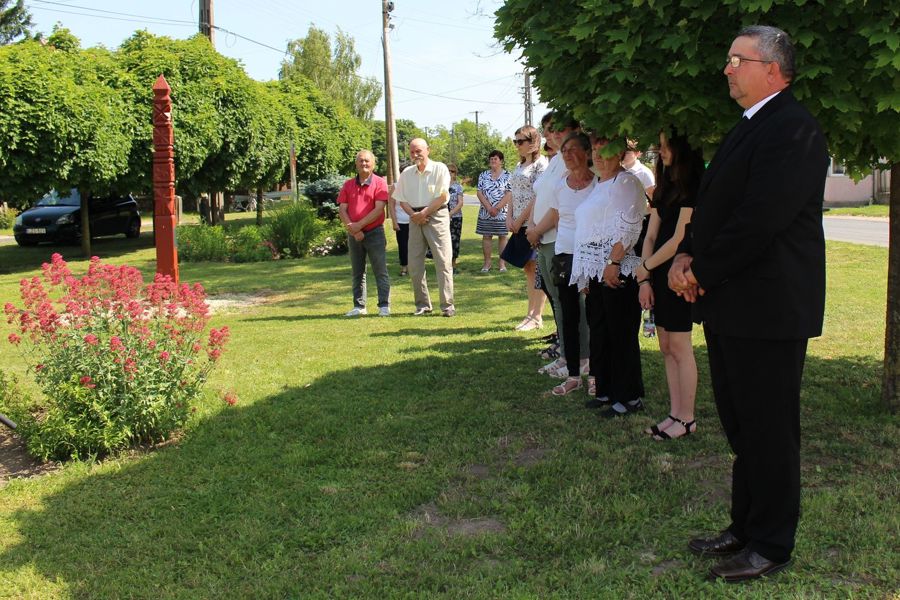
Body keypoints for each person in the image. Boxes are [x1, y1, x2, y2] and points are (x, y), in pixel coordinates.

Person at [669, 26, 828, 582]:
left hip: (769, 307)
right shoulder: (750, 125)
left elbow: (761, 218)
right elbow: (716, 207)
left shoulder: (794, 128)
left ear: (773, 70)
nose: (727, 69)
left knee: (769, 429)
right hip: (733, 303)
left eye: (738, 60)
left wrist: (700, 271)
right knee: (742, 424)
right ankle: (745, 527)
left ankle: (771, 544)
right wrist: (687, 254)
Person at [635, 129, 704, 438]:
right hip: (657, 275)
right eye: (658, 144)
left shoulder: (692, 188)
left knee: (679, 345)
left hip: (678, 275)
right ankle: (675, 414)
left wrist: (646, 266)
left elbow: (679, 239)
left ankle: (686, 419)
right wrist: (645, 277)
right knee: (665, 346)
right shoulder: (664, 188)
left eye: (666, 145)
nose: (660, 151)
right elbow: (651, 234)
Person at [571, 136, 646, 417]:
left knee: (620, 333)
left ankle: (628, 397)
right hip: (594, 271)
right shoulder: (599, 184)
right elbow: (589, 230)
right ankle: (605, 390)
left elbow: (629, 225)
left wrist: (613, 261)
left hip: (617, 269)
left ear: (620, 153)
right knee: (600, 332)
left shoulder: (626, 182)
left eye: (606, 151)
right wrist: (584, 274)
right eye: (595, 150)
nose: (599, 156)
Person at [529, 113, 587, 376]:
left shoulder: (572, 160)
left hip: (559, 238)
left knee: (571, 303)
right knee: (558, 300)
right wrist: (532, 227)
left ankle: (581, 357)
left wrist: (537, 230)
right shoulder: (555, 161)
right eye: (548, 130)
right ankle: (566, 354)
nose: (551, 134)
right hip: (544, 238)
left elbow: (560, 206)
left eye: (557, 129)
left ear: (575, 129)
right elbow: (540, 195)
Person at [540, 132, 596, 396]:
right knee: (569, 316)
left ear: (587, 152)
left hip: (591, 258)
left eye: (573, 149)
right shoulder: (560, 185)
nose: (568, 154)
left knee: (593, 317)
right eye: (564, 150)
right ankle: (573, 375)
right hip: (564, 257)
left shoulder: (598, 184)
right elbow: (558, 217)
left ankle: (595, 374)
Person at [392, 138, 456, 317]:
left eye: (418, 151)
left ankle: (447, 305)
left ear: (428, 150)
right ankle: (422, 305)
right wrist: (415, 215)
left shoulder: (439, 168)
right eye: (412, 151)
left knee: (443, 261)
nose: (415, 155)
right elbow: (401, 199)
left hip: (437, 215)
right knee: (414, 263)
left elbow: (442, 196)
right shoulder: (406, 173)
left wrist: (424, 213)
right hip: (414, 218)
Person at [338, 150, 391, 317]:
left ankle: (384, 305)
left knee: (380, 270)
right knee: (357, 272)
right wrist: (353, 229)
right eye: (361, 161)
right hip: (354, 234)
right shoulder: (348, 185)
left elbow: (379, 209)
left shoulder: (380, 183)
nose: (364, 164)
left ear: (373, 163)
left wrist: (359, 226)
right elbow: (342, 209)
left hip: (375, 232)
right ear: (356, 164)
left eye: (367, 161)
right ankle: (359, 306)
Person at [505, 125, 548, 331]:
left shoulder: (541, 165)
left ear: (533, 142)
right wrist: (509, 217)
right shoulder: (519, 165)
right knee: (528, 268)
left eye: (520, 141)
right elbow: (512, 192)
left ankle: (536, 316)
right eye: (516, 141)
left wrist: (521, 218)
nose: (517, 145)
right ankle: (530, 313)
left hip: (533, 222)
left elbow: (537, 195)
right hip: (518, 224)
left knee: (537, 269)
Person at [475, 150, 511, 272]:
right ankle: (487, 264)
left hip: (502, 213)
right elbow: (479, 192)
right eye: (491, 159)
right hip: (486, 213)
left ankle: (502, 264)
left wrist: (497, 208)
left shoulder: (508, 175)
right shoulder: (483, 175)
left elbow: (509, 193)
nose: (493, 161)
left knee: (503, 237)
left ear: (501, 161)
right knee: (486, 236)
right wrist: (489, 208)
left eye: (495, 158)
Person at [388, 162, 411, 277]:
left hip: (414, 220)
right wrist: (394, 221)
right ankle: (404, 267)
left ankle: (415, 267)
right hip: (401, 221)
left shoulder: (415, 186)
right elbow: (391, 205)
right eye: (403, 172)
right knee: (403, 245)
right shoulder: (395, 187)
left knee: (415, 245)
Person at [447, 164, 464, 273]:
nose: (450, 173)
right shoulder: (440, 186)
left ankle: (453, 264)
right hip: (442, 217)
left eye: (452, 171)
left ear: (455, 173)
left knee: (454, 241)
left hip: (456, 218)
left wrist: (450, 214)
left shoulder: (458, 187)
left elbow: (460, 203)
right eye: (448, 171)